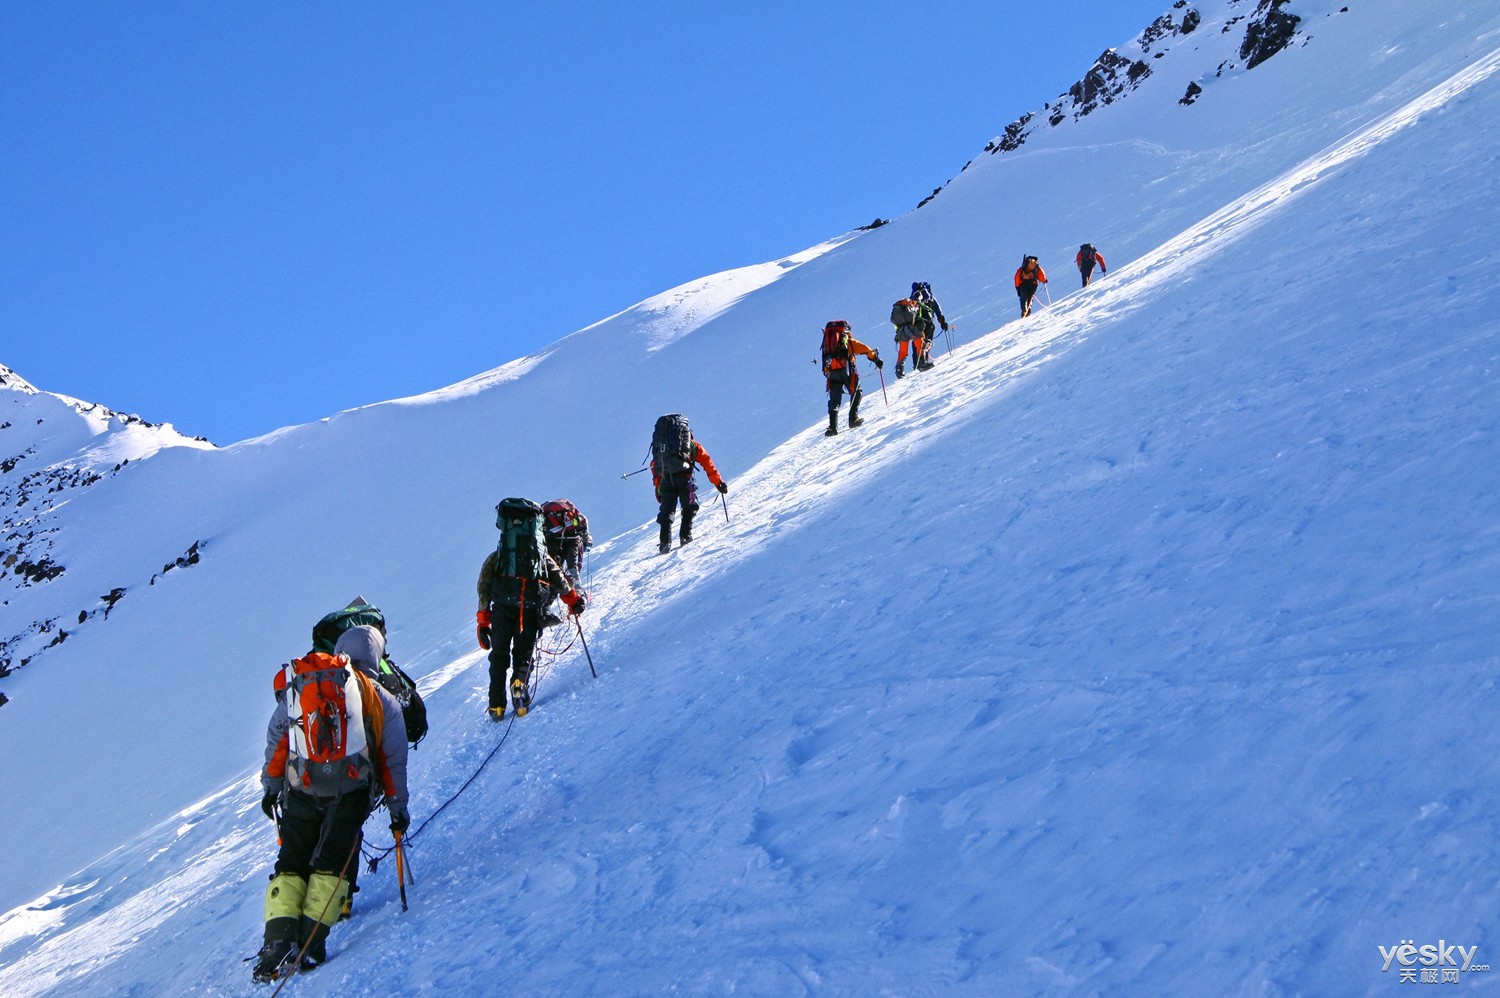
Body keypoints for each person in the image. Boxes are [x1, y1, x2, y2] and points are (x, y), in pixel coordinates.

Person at [253, 639, 410, 982]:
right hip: (351, 789)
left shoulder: (304, 684)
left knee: (292, 860)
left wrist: (272, 786)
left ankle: (277, 942)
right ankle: (310, 944)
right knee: (332, 863)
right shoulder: (381, 698)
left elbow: (279, 735)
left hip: (302, 785)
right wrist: (398, 809)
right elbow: (393, 761)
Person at [477, 498, 586, 720]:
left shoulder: (500, 554)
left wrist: (483, 620)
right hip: (529, 608)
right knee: (523, 651)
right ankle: (519, 684)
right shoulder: (540, 554)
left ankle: (496, 706)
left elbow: (484, 585)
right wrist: (573, 600)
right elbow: (559, 579)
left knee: (498, 656)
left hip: (501, 607)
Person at [650, 414, 728, 553]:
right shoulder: (691, 445)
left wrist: (658, 488)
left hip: (666, 480)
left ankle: (664, 543)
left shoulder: (662, 448)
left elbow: (654, 465)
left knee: (667, 510)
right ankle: (685, 536)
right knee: (689, 506)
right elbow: (707, 462)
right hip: (684, 478)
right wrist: (718, 482)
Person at [821, 320, 882, 437]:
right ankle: (853, 419)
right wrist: (876, 360)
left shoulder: (827, 343)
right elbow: (865, 349)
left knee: (834, 401)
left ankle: (832, 427)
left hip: (832, 374)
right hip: (848, 372)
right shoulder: (848, 341)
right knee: (856, 392)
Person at [541, 499, 592, 588]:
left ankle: (555, 588)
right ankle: (576, 588)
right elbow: (584, 528)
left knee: (554, 565)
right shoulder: (574, 516)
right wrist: (587, 541)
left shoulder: (546, 516)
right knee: (572, 564)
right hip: (572, 538)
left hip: (554, 540)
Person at [910, 281, 949, 366]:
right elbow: (938, 310)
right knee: (927, 342)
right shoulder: (930, 298)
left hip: (915, 327)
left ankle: (917, 365)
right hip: (928, 325)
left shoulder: (913, 299)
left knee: (916, 344)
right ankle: (923, 362)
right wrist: (942, 322)